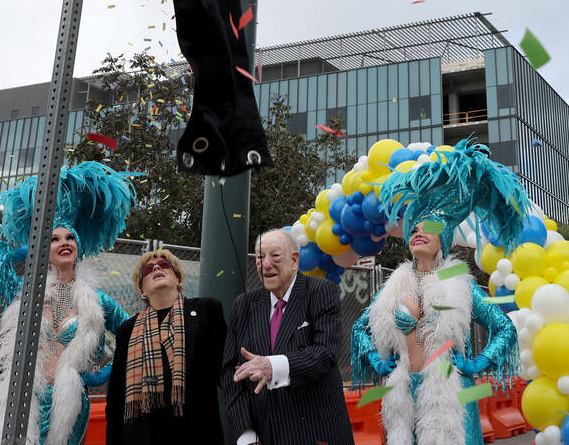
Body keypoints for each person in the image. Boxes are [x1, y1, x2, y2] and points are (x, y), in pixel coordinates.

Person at [354, 139, 526, 445]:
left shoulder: (461, 286)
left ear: (443, 239)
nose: (419, 232)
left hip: (452, 396)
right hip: (405, 396)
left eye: (428, 229)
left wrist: (476, 363)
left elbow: (503, 328)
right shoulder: (393, 288)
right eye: (414, 229)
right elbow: (359, 328)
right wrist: (377, 361)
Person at [0, 162, 137, 445]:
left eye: (70, 237)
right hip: (26, 398)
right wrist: (31, 247)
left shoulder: (97, 301)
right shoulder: (28, 296)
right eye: (54, 239)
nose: (65, 242)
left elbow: (134, 332)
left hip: (69, 401)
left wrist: (100, 376)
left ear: (79, 245)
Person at [221, 228, 353, 445]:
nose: (266, 264)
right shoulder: (244, 304)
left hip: (316, 433)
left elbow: (325, 353)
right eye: (260, 257)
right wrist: (246, 432)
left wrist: (273, 366)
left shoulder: (320, 291)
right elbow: (230, 372)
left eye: (275, 256)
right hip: (263, 435)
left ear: (294, 260)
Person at [106, 248, 228, 444]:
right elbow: (116, 400)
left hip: (197, 432)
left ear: (178, 279)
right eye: (148, 270)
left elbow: (226, 372)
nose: (156, 268)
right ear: (142, 289)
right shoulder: (127, 330)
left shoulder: (207, 310)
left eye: (164, 265)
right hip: (143, 435)